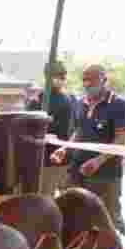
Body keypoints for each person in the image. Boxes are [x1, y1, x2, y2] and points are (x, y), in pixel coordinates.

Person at [51, 64, 125, 234]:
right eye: (84, 80)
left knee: (109, 219)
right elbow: (78, 131)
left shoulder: (119, 105)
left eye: (92, 80)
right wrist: (64, 149)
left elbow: (121, 140)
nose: (87, 84)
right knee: (74, 212)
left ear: (104, 80)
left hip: (105, 175)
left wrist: (98, 161)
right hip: (77, 170)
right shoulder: (81, 103)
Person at [28, 60, 77, 194]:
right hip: (46, 161)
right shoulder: (36, 101)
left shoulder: (70, 99)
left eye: (62, 76)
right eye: (57, 75)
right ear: (47, 76)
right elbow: (27, 129)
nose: (60, 79)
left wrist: (67, 148)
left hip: (67, 160)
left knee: (69, 201)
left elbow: (77, 128)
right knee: (46, 198)